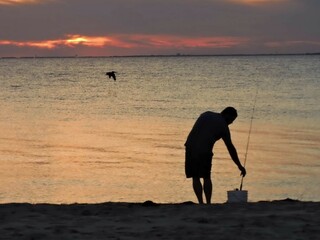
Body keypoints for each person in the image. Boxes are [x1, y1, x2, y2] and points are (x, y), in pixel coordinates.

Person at [185, 107, 246, 204]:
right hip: (204, 150)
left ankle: (201, 203)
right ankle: (208, 203)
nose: (231, 123)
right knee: (206, 176)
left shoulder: (206, 114)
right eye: (232, 120)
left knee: (195, 176)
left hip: (190, 146)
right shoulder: (224, 127)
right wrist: (239, 166)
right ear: (227, 115)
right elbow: (230, 148)